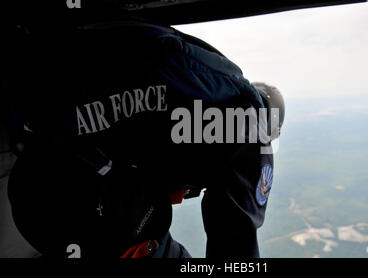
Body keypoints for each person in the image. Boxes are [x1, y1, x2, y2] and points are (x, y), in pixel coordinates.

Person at [1, 11, 284, 258]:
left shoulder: (207, 81)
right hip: (61, 194)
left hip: (32, 161)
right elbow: (236, 237)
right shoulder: (251, 122)